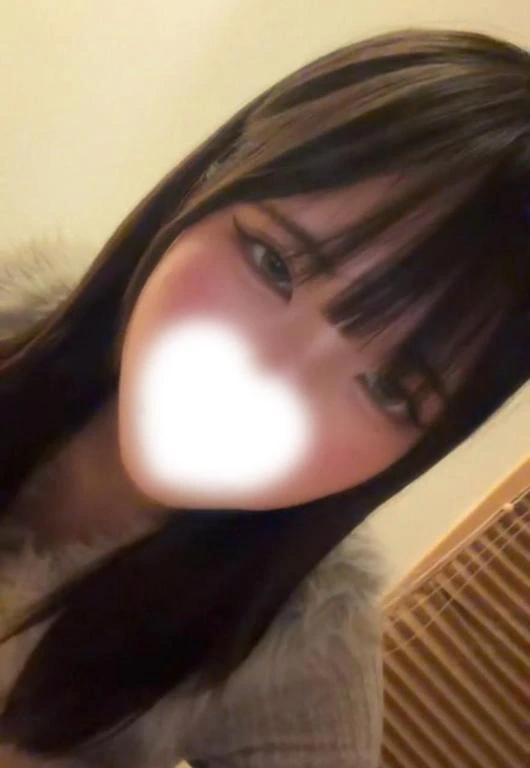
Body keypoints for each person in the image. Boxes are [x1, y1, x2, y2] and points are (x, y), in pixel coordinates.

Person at [0, 27, 528, 768]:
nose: (273, 380)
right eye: (273, 263)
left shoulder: (300, 648)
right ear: (206, 184)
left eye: (391, 389)